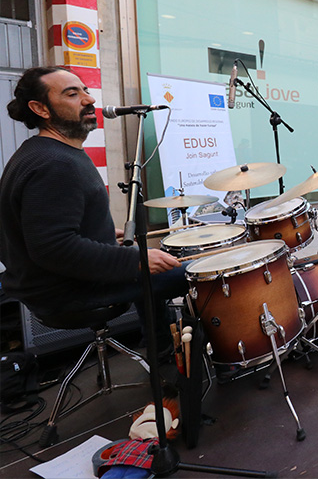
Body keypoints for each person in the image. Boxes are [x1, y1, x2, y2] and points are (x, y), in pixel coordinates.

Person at [0, 66, 186, 345]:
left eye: (85, 90)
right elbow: (52, 248)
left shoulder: (42, 152)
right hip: (68, 291)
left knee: (148, 261)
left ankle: (160, 345)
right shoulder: (55, 164)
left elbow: (41, 229)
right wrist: (135, 260)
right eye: (72, 94)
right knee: (195, 272)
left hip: (55, 284)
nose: (89, 99)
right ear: (41, 109)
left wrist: (102, 234)